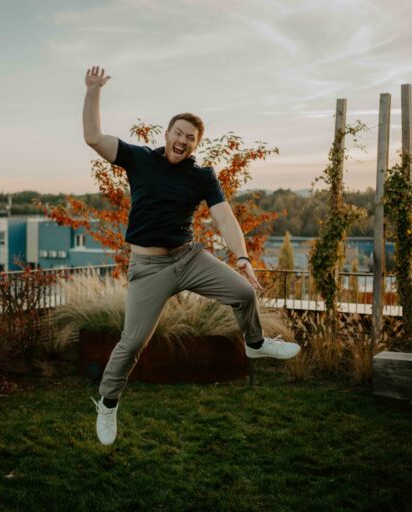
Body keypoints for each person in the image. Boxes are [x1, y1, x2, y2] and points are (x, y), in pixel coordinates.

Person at [83, 66, 300, 445]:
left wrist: (242, 257)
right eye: (178, 133)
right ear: (167, 134)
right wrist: (93, 90)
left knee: (244, 292)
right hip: (148, 268)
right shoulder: (137, 158)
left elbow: (225, 217)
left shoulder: (202, 176)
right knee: (132, 343)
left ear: (195, 145)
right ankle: (108, 402)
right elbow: (93, 137)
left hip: (187, 258)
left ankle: (255, 344)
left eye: (191, 138)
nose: (182, 140)